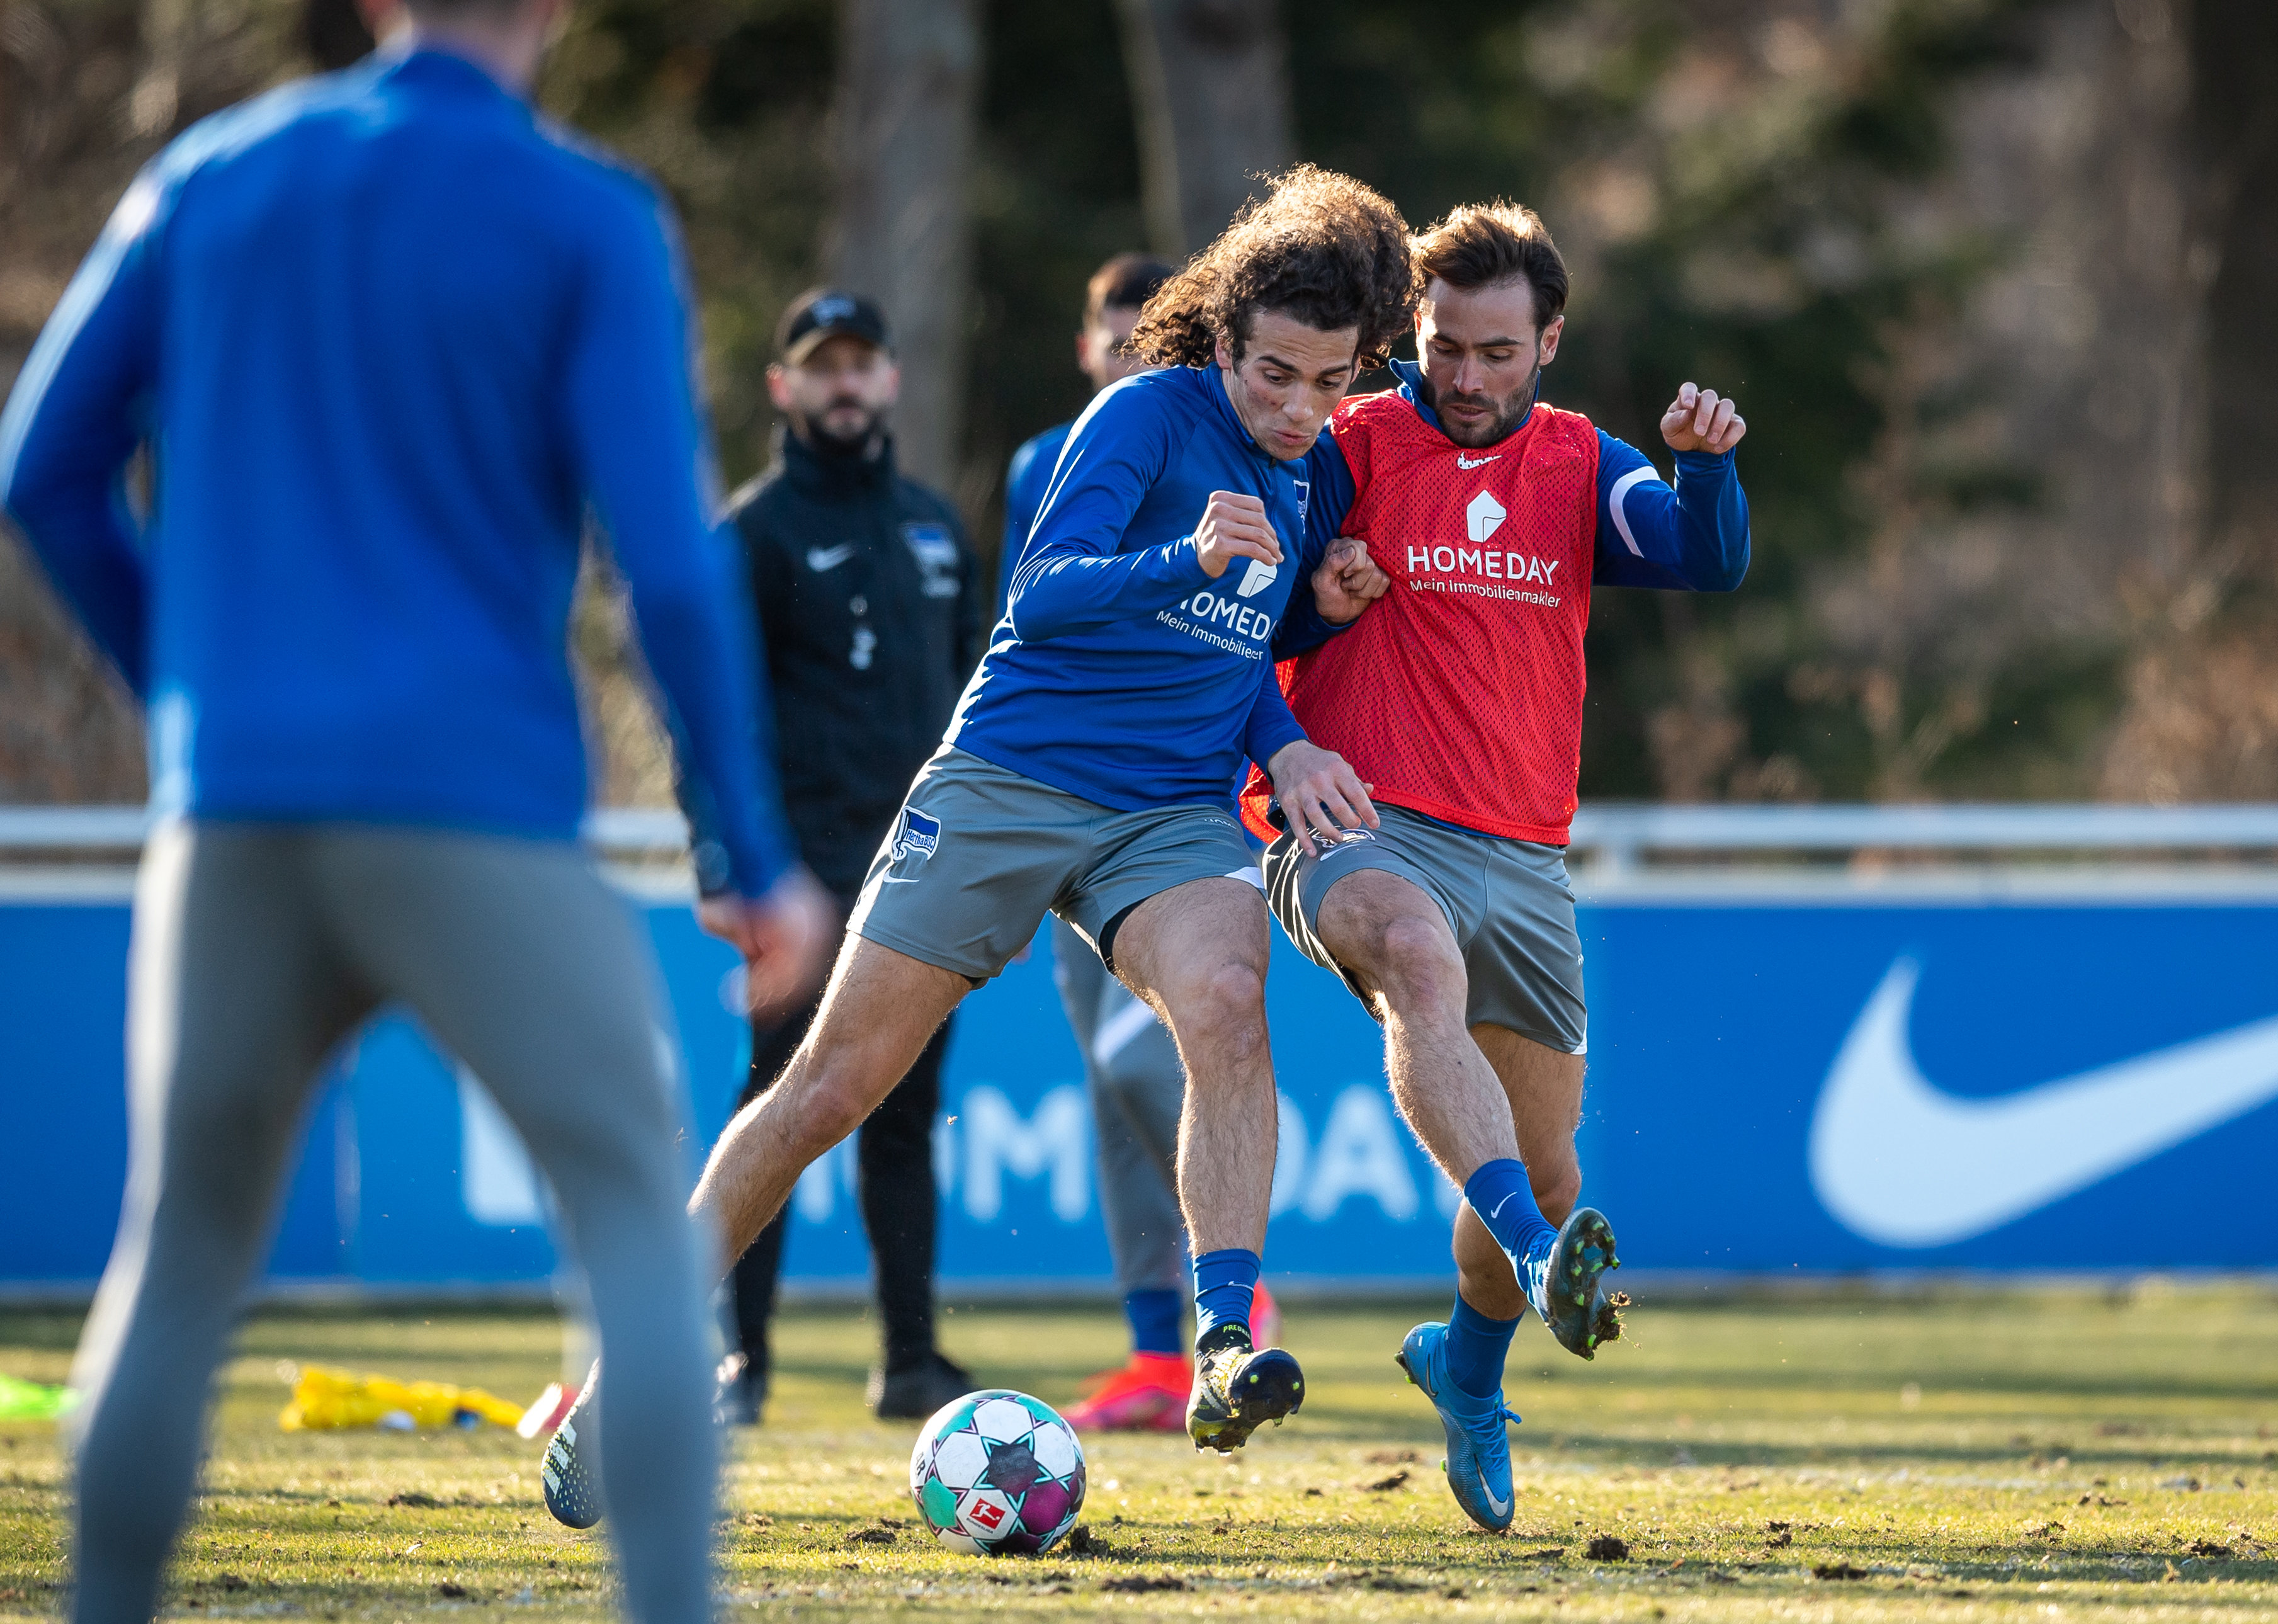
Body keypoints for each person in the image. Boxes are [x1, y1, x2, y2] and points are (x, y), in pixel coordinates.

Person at [0, 1, 832, 1620]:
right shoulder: (584, 212)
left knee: (175, 1259)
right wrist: (745, 842)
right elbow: (664, 564)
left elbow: (42, 470)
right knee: (631, 1232)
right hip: (472, 812)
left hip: (231, 816)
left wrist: (191, 691)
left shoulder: (212, 174)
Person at [541, 164, 1410, 1527]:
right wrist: (1184, 555)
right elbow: (1046, 598)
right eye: (1275, 376)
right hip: (1013, 778)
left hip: (1171, 809)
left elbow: (1233, 645)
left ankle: (1225, 1340)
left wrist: (1290, 709)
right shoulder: (1140, 417)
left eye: (1329, 383)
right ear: (1223, 341)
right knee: (827, 1088)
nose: (1299, 409)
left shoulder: (1311, 468)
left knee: (1231, 1010)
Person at [1246, 200, 1750, 1533]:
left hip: (1522, 853)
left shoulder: (1584, 462)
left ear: (1550, 344)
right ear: (1412, 335)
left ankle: (1466, 1369)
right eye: (1443, 348)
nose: (1464, 380)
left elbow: (1704, 556)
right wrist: (1319, 595)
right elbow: (1247, 603)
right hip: (1351, 819)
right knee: (1413, 956)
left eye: (1496, 354)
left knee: (1553, 1167)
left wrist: (1705, 467)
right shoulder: (1350, 443)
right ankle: (1535, 1258)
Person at [696, 288, 984, 1428]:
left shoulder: (931, 525)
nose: (846, 384)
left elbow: (979, 695)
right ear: (785, 387)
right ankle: (739, 1364)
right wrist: (730, 862)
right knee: (779, 1101)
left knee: (908, 1110)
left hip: (920, 866)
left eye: (863, 364)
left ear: (892, 379)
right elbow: (707, 721)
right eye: (823, 367)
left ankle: (909, 1361)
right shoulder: (753, 533)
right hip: (801, 877)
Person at [1004, 254, 1278, 1434]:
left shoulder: (1232, 461)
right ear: (1085, 346)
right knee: (1103, 1085)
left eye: (1148, 340)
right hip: (1050, 789)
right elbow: (1038, 604)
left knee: (1140, 1063)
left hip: (1171, 813)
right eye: (1111, 336)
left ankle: (1234, 1285)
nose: (1129, 357)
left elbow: (1248, 624)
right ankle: (1155, 1355)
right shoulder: (1038, 465)